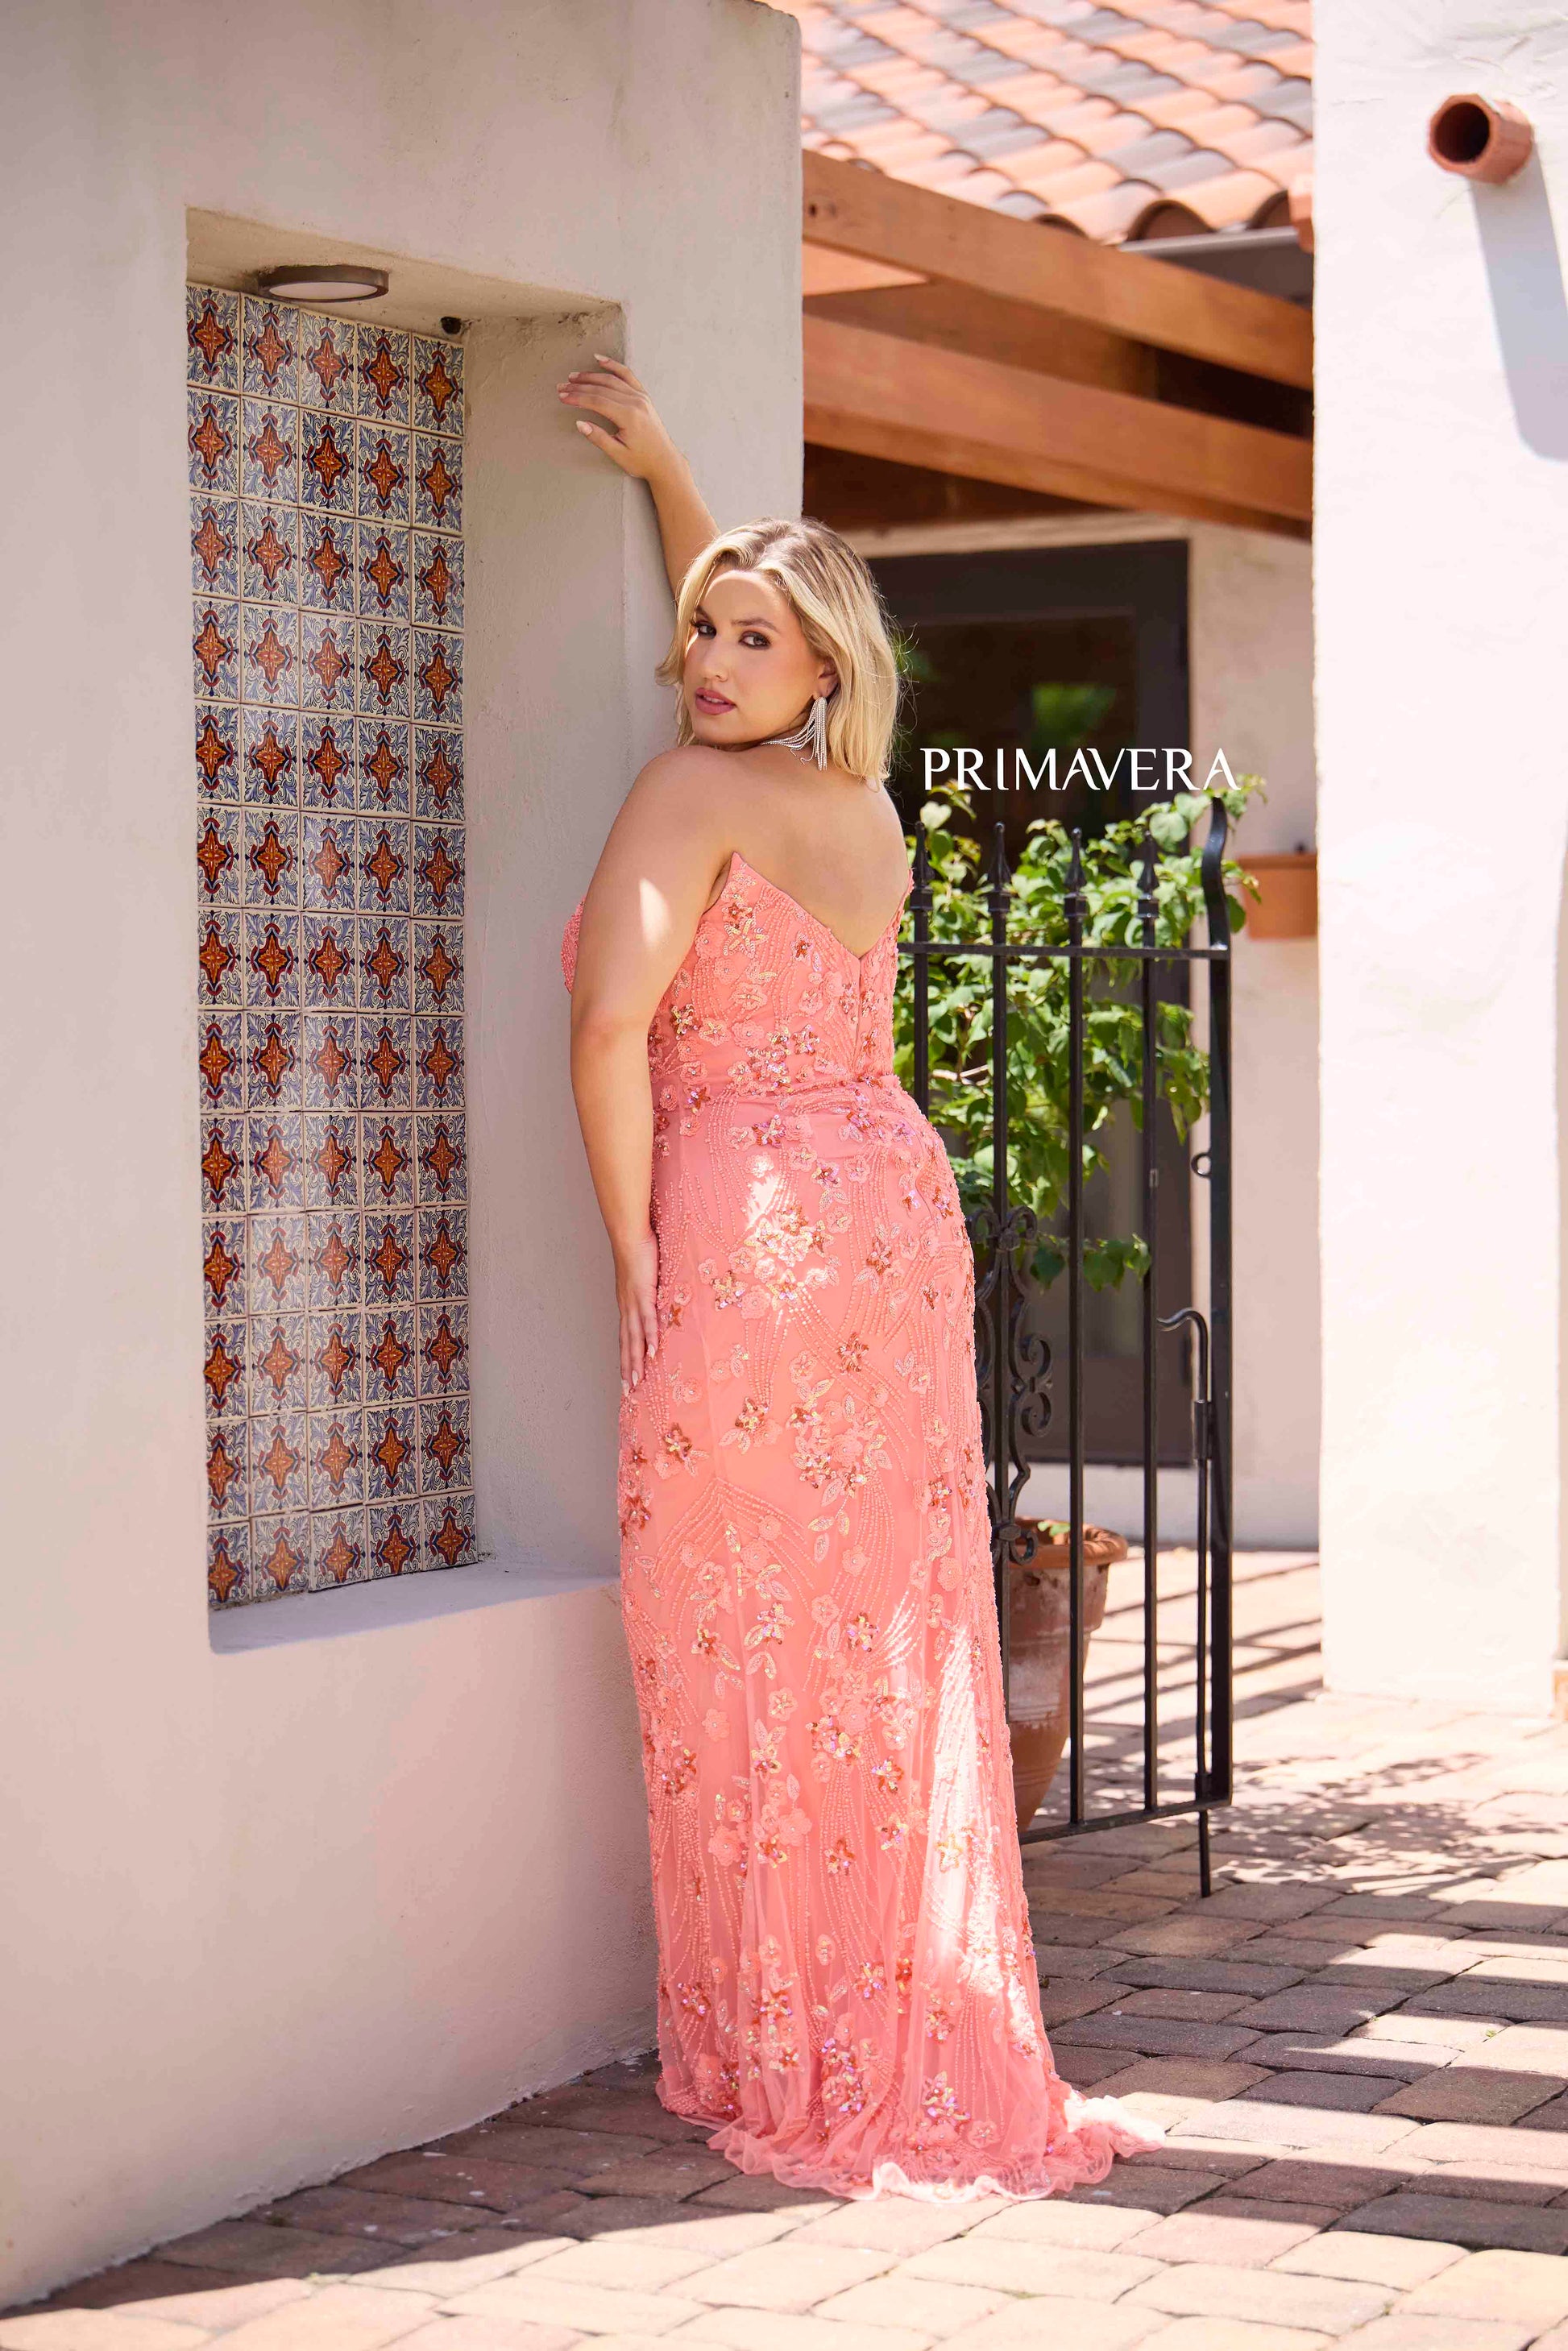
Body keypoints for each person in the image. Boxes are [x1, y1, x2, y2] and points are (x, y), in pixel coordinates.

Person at [556, 358, 1165, 2200]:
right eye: (699, 633)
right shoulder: (860, 804)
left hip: (751, 1229)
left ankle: (786, 2039)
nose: (706, 659)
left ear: (816, 665)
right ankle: (876, 2008)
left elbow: (608, 1028)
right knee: (871, 1630)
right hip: (885, 1215)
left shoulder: (689, 791)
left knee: (737, 1629)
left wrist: (633, 1250)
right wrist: (670, 467)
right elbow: (755, 616)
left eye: (747, 641)